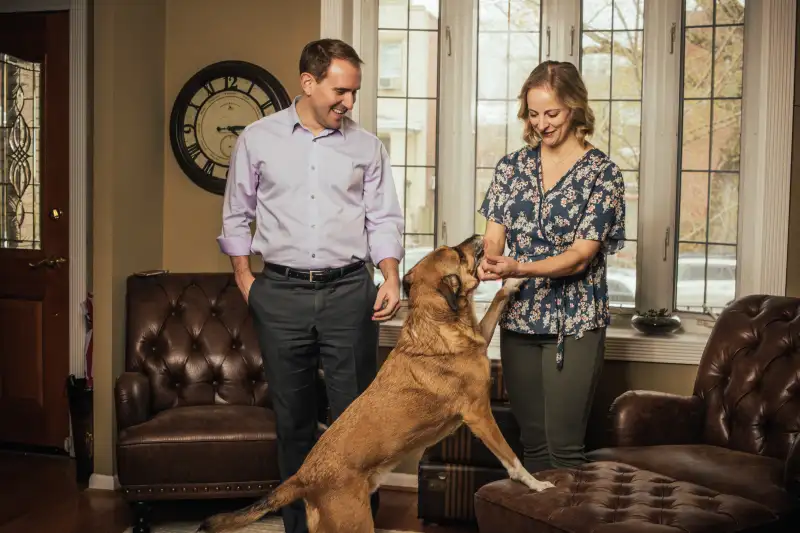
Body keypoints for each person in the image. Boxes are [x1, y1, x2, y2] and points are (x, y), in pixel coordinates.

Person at [217, 38, 404, 533]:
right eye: (340, 91)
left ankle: (356, 525)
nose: (348, 103)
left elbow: (383, 218)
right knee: (294, 424)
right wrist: (245, 279)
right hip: (279, 294)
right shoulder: (258, 139)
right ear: (308, 82)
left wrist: (390, 274)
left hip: (349, 293)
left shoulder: (368, 147)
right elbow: (237, 215)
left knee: (359, 426)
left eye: (354, 93)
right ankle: (300, 528)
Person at [477, 60, 625, 474]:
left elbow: (580, 256)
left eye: (552, 113)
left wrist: (519, 268)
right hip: (519, 319)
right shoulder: (511, 168)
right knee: (533, 445)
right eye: (533, 113)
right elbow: (494, 235)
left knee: (564, 448)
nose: (541, 123)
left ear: (575, 108)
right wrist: (490, 260)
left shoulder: (602, 175)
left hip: (573, 325)